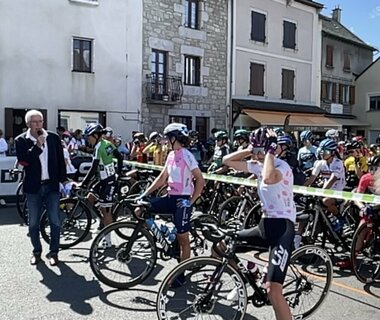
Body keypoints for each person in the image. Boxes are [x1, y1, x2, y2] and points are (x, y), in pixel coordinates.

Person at [222, 127, 296, 320]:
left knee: (273, 291)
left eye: (260, 151)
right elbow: (227, 161)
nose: (256, 155)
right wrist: (251, 148)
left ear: (274, 149)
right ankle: (249, 276)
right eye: (255, 152)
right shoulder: (259, 164)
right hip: (265, 225)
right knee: (222, 246)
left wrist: (269, 152)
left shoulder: (282, 167)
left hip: (282, 229)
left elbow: (270, 178)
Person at [137, 123, 205, 286]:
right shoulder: (171, 155)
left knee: (183, 240)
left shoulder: (187, 155)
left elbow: (201, 180)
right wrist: (144, 194)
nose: (165, 141)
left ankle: (181, 275)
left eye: (168, 138)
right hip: (170, 196)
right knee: (140, 209)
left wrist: (190, 201)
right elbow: (162, 178)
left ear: (174, 138)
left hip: (182, 200)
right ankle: (166, 236)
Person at [15, 110, 67, 266]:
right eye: (35, 122)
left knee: (55, 221)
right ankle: (36, 251)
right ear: (28, 124)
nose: (38, 125)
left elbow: (59, 160)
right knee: (33, 223)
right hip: (33, 187)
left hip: (51, 186)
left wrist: (63, 181)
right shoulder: (21, 141)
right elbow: (24, 161)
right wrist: (37, 146)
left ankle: (54, 252)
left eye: (41, 121)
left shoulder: (53, 138)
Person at [78, 124, 123, 244]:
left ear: (96, 135)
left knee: (106, 212)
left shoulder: (99, 147)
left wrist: (83, 183)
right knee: (90, 199)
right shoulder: (107, 144)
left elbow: (93, 168)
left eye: (89, 137)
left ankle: (108, 240)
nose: (88, 139)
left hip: (108, 182)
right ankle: (103, 221)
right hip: (105, 179)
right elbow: (119, 157)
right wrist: (118, 172)